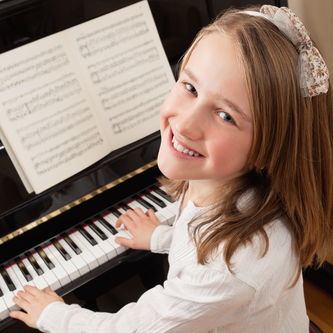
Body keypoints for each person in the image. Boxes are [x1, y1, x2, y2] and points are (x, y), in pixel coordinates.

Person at [9, 4, 333, 333]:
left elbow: (133, 329)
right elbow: (197, 234)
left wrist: (53, 315)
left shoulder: (229, 267)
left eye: (225, 115)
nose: (187, 124)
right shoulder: (221, 182)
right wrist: (163, 237)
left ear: (270, 148)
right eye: (190, 88)